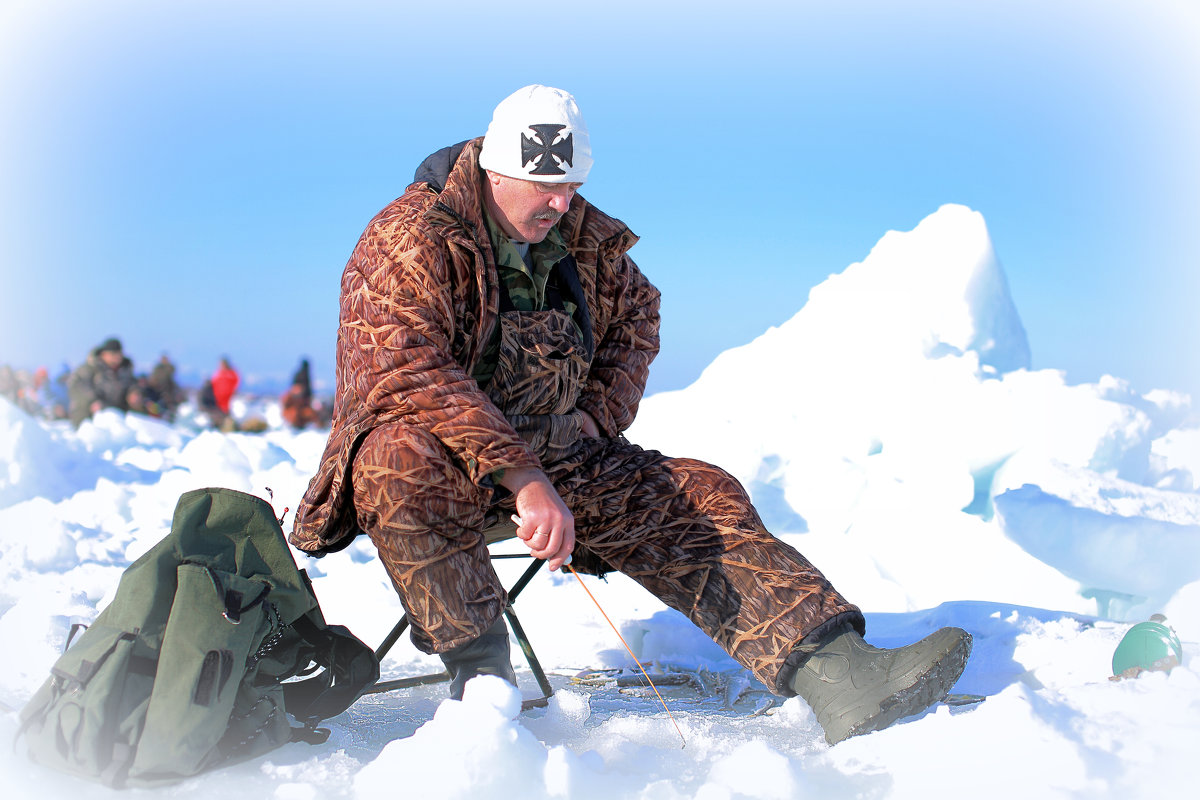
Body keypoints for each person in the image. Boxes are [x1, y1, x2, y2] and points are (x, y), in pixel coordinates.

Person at [291, 85, 971, 745]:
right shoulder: (409, 236)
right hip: (433, 468)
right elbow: (406, 371)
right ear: (495, 171)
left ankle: (840, 673)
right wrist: (523, 478)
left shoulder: (582, 240)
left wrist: (595, 416)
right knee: (396, 459)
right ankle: (484, 683)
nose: (562, 203)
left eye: (572, 186)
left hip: (562, 457)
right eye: (545, 188)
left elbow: (638, 317)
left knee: (699, 493)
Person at [66, 337, 140, 426]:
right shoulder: (89, 368)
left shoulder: (125, 369)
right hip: (94, 409)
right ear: (103, 354)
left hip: (118, 410)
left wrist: (134, 393)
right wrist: (92, 401)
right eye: (113, 354)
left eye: (119, 354)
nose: (117, 357)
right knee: (82, 408)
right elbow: (76, 386)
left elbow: (133, 383)